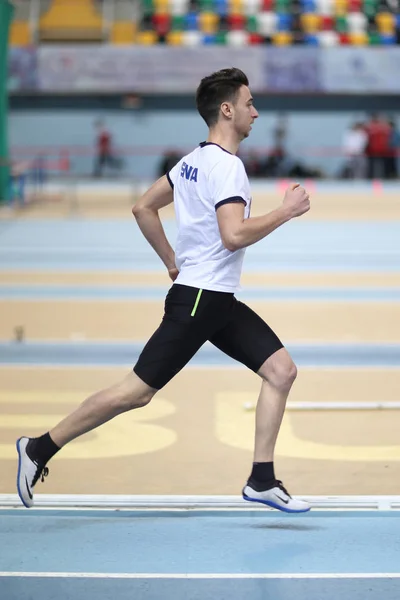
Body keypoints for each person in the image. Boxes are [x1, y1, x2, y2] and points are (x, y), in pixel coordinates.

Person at [16, 68, 311, 513]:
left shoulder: (191, 161)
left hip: (212, 298)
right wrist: (286, 211)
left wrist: (172, 261)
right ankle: (38, 448)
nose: (256, 111)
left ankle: (261, 479)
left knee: (281, 371)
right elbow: (233, 236)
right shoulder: (227, 167)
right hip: (200, 301)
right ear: (227, 110)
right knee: (135, 393)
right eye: (249, 103)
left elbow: (143, 207)